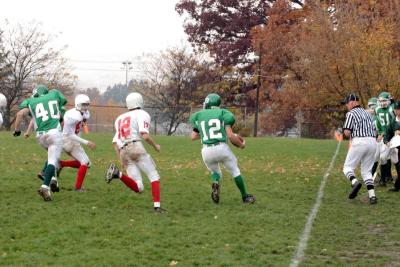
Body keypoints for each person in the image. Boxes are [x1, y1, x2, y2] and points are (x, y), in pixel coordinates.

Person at [189, 93, 255, 204]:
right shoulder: (223, 113)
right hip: (221, 147)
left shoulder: (199, 115)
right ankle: (245, 197)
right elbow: (230, 136)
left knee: (215, 172)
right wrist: (241, 145)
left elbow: (193, 136)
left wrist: (207, 135)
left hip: (206, 150)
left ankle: (215, 182)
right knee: (235, 171)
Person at [105, 92, 166, 213]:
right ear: (139, 102)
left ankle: (118, 174)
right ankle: (157, 207)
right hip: (135, 146)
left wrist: (120, 160)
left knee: (139, 187)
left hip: (123, 151)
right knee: (154, 176)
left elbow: (115, 143)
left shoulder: (119, 118)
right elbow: (145, 135)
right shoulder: (142, 114)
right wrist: (155, 146)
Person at [14, 85, 67, 201]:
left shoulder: (31, 101)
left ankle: (53, 179)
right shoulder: (54, 94)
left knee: (51, 157)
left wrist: (17, 130)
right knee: (53, 160)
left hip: (40, 136)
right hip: (54, 133)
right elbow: (61, 111)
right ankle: (45, 186)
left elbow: (19, 114)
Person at [54, 94, 96, 192]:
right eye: (83, 105)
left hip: (73, 140)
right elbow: (70, 134)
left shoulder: (84, 113)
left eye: (87, 105)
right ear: (78, 104)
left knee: (86, 164)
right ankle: (78, 188)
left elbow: (82, 123)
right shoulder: (72, 116)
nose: (85, 107)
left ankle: (61, 164)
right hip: (68, 140)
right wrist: (86, 142)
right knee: (85, 162)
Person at [342, 93, 378, 204]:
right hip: (373, 142)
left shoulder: (351, 113)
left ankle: (354, 182)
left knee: (347, 168)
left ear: (352, 102)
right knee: (367, 171)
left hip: (359, 141)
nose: (347, 105)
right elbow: (375, 130)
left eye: (347, 103)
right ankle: (372, 196)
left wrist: (343, 132)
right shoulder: (367, 114)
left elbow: (347, 132)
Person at [375, 92, 396, 185]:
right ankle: (383, 180)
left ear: (389, 100)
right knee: (383, 157)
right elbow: (379, 124)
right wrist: (380, 133)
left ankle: (387, 178)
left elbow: (395, 123)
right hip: (385, 136)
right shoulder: (377, 109)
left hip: (394, 135)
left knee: (395, 158)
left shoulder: (392, 109)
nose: (382, 102)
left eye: (384, 100)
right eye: (380, 101)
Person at [383, 101, 400, 191]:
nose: (396, 111)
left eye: (398, 109)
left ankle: (397, 186)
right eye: (395, 109)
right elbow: (387, 133)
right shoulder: (393, 121)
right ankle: (397, 186)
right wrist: (386, 141)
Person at [367, 97, 380, 178]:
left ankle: (386, 176)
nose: (371, 108)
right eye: (369, 106)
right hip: (372, 140)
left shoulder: (377, 117)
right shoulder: (369, 117)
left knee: (379, 158)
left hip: (379, 139)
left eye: (372, 106)